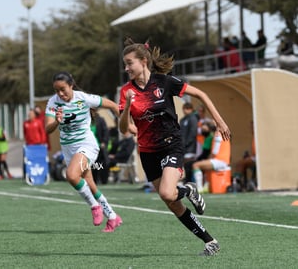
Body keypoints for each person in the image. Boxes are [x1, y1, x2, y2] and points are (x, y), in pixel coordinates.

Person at [118, 39, 231, 256]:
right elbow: (124, 127)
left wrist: (219, 121)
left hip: (171, 146)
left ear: (143, 61)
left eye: (129, 63)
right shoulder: (126, 91)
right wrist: (128, 106)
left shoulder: (164, 82)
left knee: (167, 192)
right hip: (148, 152)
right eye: (124, 64)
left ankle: (188, 188)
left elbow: (201, 95)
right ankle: (210, 241)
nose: (126, 68)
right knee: (170, 201)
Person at [45, 71, 122, 232]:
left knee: (72, 176)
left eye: (63, 89)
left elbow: (114, 106)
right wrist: (56, 122)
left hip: (86, 145)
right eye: (56, 90)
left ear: (71, 85)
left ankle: (94, 206)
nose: (60, 93)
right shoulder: (53, 103)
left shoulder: (83, 98)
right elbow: (48, 128)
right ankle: (113, 217)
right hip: (68, 148)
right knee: (90, 184)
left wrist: (126, 123)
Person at [192, 122, 231, 193]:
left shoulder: (218, 134)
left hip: (220, 161)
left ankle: (200, 188)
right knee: (204, 165)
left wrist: (209, 158)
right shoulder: (224, 133)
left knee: (196, 165)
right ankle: (206, 186)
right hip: (223, 160)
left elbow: (215, 152)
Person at [179, 102, 198, 182]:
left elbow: (193, 133)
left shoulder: (193, 118)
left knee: (188, 164)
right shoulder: (183, 120)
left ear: (190, 109)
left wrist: (186, 143)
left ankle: (189, 181)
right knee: (184, 164)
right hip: (183, 147)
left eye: (186, 109)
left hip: (190, 147)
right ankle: (186, 180)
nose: (184, 111)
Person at [90, 108, 110, 185]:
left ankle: (103, 180)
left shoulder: (100, 120)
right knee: (93, 164)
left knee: (103, 163)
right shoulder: (86, 120)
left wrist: (104, 142)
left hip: (99, 146)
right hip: (89, 146)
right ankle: (94, 180)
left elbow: (105, 132)